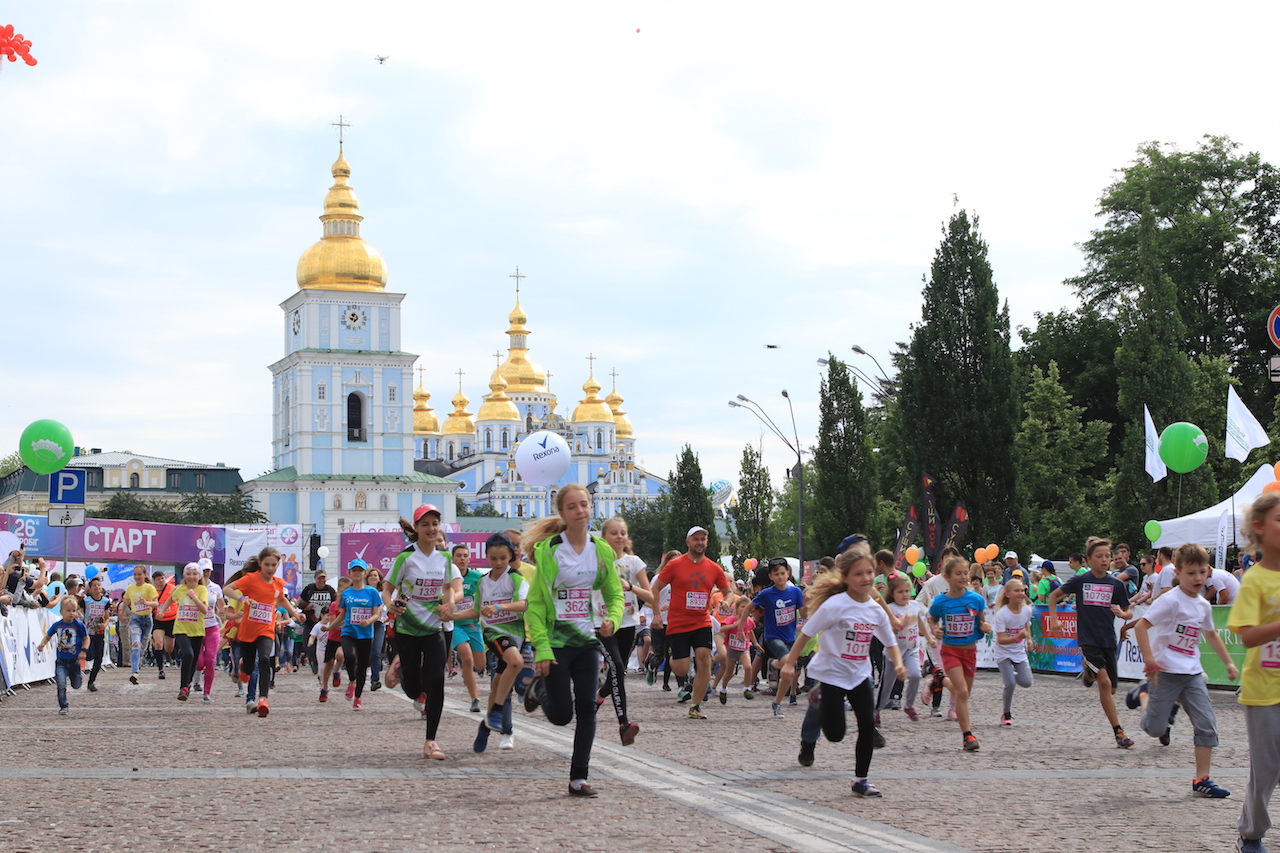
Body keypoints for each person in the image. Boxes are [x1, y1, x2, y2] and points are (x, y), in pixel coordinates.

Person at [522, 484, 624, 798]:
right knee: (561, 715)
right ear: (563, 514)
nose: (580, 511)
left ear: (591, 507)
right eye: (572, 507)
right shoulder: (551, 551)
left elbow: (614, 594)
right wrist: (540, 645)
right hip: (555, 643)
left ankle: (578, 777)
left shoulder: (601, 550)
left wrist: (613, 620)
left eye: (585, 504)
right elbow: (536, 604)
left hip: (586, 641)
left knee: (588, 707)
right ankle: (537, 687)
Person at [779, 545, 905, 797]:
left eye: (869, 572)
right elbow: (806, 634)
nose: (866, 578)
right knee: (836, 735)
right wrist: (790, 663)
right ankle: (820, 696)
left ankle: (861, 780)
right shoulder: (834, 606)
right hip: (832, 673)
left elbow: (890, 641)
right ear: (845, 577)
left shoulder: (874, 609)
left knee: (868, 725)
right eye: (858, 574)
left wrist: (899, 663)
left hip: (859, 674)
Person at [1129, 543, 1236, 799]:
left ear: (1208, 571)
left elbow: (1210, 634)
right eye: (1191, 573)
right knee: (1154, 729)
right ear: (1177, 572)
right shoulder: (1170, 601)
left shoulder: (1203, 605)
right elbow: (1141, 627)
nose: (1197, 578)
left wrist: (1228, 662)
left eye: (1201, 572)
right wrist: (1150, 661)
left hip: (1192, 673)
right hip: (1165, 672)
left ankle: (1202, 779)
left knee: (1207, 724)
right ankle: (1144, 695)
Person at [384, 504, 459, 760]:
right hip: (406, 629)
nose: (431, 528)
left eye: (435, 524)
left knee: (436, 680)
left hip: (433, 628)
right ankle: (402, 671)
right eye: (425, 524)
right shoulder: (406, 558)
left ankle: (431, 741)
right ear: (416, 529)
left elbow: (449, 587)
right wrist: (389, 604)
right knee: (414, 686)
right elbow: (387, 589)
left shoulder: (445, 558)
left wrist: (449, 603)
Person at [1229, 492, 1280, 852]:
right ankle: (1251, 832)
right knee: (1266, 770)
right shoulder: (1256, 580)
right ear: (1260, 528)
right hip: (1263, 690)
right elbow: (1247, 636)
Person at [1049, 536, 1135, 748]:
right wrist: (1054, 619)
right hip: (1088, 639)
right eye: (1099, 556)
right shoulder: (1081, 580)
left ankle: (1088, 671)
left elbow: (1129, 611)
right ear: (1088, 559)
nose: (1105, 560)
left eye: (1107, 556)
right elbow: (1054, 596)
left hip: (1108, 639)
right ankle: (1118, 732)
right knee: (1104, 683)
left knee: (1112, 689)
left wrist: (1122, 614)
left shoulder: (1116, 583)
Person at [649, 526, 732, 721]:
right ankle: (672, 658)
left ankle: (695, 706)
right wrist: (656, 615)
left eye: (703, 539)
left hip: (701, 620)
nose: (700, 542)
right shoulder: (675, 565)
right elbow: (656, 587)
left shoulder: (714, 567)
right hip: (677, 623)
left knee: (704, 658)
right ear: (688, 542)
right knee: (681, 668)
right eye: (696, 539)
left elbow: (727, 591)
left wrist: (727, 601)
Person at [461, 533, 529, 753]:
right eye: (493, 558)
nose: (498, 563)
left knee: (498, 686)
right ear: (486, 557)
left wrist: (500, 607)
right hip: (494, 633)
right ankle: (499, 711)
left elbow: (525, 603)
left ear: (511, 555)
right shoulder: (482, 582)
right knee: (516, 662)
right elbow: (476, 610)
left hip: (516, 635)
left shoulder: (515, 577)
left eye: (503, 558)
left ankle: (486, 726)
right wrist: (451, 615)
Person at [225, 547, 305, 717]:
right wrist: (243, 598)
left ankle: (263, 699)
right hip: (247, 630)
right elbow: (227, 589)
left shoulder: (278, 583)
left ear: (278, 565)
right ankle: (242, 667)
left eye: (274, 565)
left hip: (266, 628)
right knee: (248, 666)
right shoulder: (250, 579)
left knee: (264, 659)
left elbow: (281, 599)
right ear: (260, 564)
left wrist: (295, 614)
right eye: (267, 564)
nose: (270, 568)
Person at [594, 517, 651, 744]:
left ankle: (598, 697)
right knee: (617, 667)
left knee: (618, 673)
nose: (619, 537)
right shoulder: (596, 562)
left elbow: (650, 597)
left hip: (628, 624)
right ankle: (624, 724)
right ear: (604, 537)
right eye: (614, 533)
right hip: (603, 624)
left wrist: (629, 586)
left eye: (623, 533)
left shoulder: (634, 562)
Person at [928, 555, 990, 752]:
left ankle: (940, 679)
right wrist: (934, 630)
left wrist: (985, 626)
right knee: (961, 692)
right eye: (958, 574)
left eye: (966, 573)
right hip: (951, 652)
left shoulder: (976, 599)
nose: (963, 577)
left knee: (964, 695)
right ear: (947, 577)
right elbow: (932, 619)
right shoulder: (941, 602)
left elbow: (982, 621)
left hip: (970, 652)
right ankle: (967, 736)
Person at [754, 556, 806, 717]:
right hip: (773, 637)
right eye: (776, 574)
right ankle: (777, 663)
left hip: (790, 637)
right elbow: (750, 606)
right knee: (789, 663)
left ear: (788, 574)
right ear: (771, 576)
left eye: (783, 573)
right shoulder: (767, 594)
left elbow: (804, 614)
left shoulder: (796, 592)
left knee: (789, 671)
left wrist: (807, 604)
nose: (780, 577)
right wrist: (742, 627)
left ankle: (776, 703)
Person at [333, 560, 384, 711]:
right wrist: (329, 627)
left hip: (365, 633)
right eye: (354, 570)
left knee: (362, 665)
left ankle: (358, 697)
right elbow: (342, 614)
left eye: (360, 570)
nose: (357, 573)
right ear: (349, 573)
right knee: (349, 656)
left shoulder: (372, 592)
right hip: (348, 631)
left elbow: (377, 614)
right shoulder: (346, 593)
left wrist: (368, 621)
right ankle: (352, 681)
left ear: (364, 573)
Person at [878, 574, 929, 722]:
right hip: (892, 654)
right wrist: (901, 624)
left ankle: (909, 705)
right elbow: (889, 631)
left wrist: (929, 637)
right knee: (886, 685)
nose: (905, 594)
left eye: (907, 591)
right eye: (900, 592)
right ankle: (876, 711)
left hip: (911, 650)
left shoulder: (914, 606)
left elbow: (919, 622)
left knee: (915, 675)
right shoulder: (890, 609)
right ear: (892, 594)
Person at [448, 544, 485, 713]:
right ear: (452, 559)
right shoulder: (448, 578)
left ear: (469, 559)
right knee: (467, 658)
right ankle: (475, 699)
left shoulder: (477, 577)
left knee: (480, 663)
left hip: (472, 623)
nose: (462, 559)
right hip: (454, 624)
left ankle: (466, 674)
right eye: (458, 556)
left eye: (465, 556)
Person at [991, 577, 1033, 725]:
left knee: (1027, 682)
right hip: (1003, 652)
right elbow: (1001, 639)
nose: (1021, 593)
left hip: (1018, 651)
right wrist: (1017, 637)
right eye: (1017, 591)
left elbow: (1026, 625)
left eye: (1022, 590)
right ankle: (1006, 713)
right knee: (1010, 684)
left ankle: (1010, 674)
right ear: (1008, 594)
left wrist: (1028, 639)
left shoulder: (1027, 610)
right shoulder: (1002, 614)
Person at [39, 597, 89, 715]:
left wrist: (84, 651)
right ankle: (63, 705)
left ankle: (78, 677)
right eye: (68, 610)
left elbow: (87, 638)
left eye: (74, 610)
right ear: (61, 611)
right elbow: (48, 636)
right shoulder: (57, 625)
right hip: (61, 660)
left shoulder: (79, 625)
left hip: (74, 660)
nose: (72, 613)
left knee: (76, 685)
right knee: (61, 684)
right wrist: (42, 644)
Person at [171, 562, 210, 702]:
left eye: (194, 574)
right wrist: (162, 611)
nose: (191, 577)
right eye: (188, 574)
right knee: (188, 654)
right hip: (180, 628)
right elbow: (171, 598)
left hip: (197, 630)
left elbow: (204, 610)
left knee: (193, 660)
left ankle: (187, 685)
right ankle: (183, 687)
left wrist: (194, 597)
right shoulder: (179, 589)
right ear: (184, 576)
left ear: (199, 576)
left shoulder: (202, 590)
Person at [122, 566, 158, 685]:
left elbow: (156, 603)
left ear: (144, 575)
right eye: (135, 574)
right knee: (135, 644)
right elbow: (126, 600)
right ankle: (134, 672)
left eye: (139, 574)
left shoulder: (149, 588)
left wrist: (146, 603)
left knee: (142, 647)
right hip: (135, 619)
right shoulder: (130, 588)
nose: (137, 577)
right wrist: (122, 613)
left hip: (147, 620)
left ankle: (137, 664)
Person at [317, 577, 352, 702]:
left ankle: (337, 670)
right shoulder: (334, 605)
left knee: (340, 655)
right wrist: (344, 620)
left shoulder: (352, 604)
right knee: (328, 663)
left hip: (345, 636)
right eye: (342, 591)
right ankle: (324, 687)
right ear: (338, 591)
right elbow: (332, 621)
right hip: (333, 637)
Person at [196, 558, 224, 703]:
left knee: (211, 660)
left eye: (208, 570)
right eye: (203, 570)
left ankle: (206, 692)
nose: (206, 573)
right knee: (200, 662)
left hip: (212, 626)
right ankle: (195, 678)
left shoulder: (216, 588)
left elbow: (222, 606)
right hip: (196, 627)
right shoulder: (193, 587)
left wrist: (228, 614)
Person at [300, 570, 337, 675]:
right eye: (319, 578)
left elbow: (335, 603)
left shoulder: (330, 590)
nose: (322, 580)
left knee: (326, 644)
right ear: (315, 578)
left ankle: (324, 664)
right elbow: (299, 601)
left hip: (326, 622)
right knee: (309, 646)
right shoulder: (309, 589)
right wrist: (306, 606)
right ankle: (313, 661)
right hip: (310, 621)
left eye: (323, 578)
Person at [82, 575, 113, 693]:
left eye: (98, 585)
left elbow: (107, 616)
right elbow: (81, 614)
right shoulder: (85, 601)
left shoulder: (105, 601)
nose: (96, 587)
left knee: (98, 660)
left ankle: (91, 682)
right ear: (90, 588)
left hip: (99, 632)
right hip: (88, 632)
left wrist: (105, 624)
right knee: (90, 655)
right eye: (94, 585)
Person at [151, 569, 177, 680]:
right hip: (158, 621)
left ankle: (172, 658)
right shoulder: (152, 591)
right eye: (158, 579)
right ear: (154, 581)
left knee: (169, 648)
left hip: (171, 620)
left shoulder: (172, 588)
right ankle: (160, 669)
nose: (161, 581)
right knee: (158, 643)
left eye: (162, 578)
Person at [365, 567, 388, 690]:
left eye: (376, 575)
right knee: (363, 651)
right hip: (365, 624)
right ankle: (359, 675)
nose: (373, 577)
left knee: (376, 651)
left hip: (378, 624)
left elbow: (385, 608)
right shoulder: (363, 592)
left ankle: (375, 679)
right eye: (371, 575)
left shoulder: (383, 593)